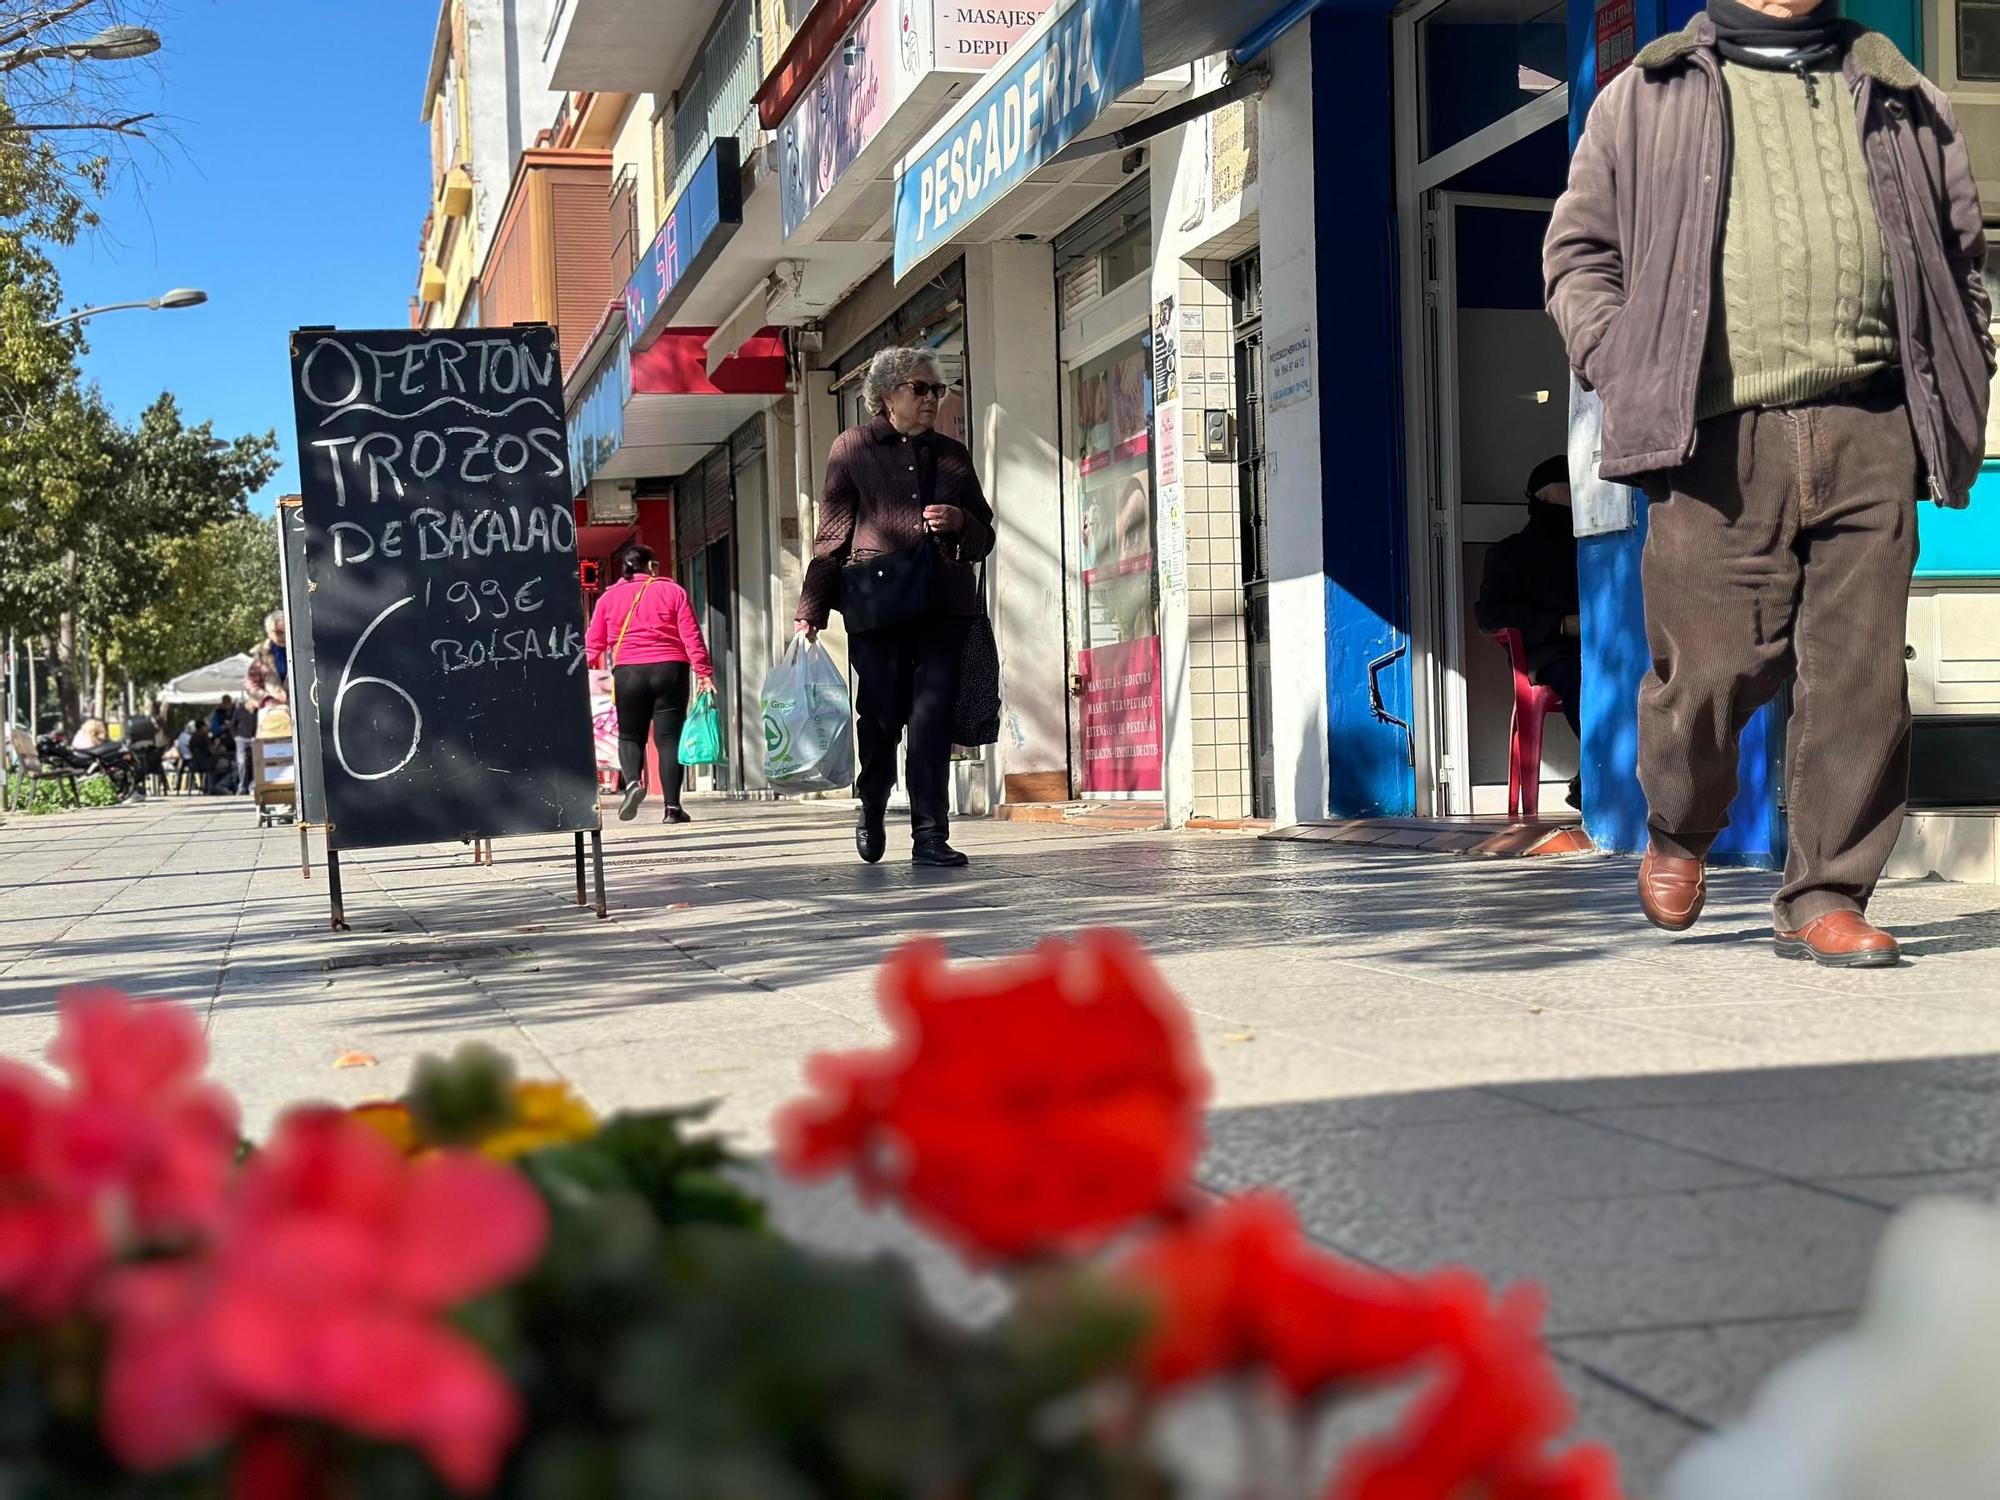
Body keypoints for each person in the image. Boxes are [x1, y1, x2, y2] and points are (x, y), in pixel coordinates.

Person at [1545, 0, 1993, 967]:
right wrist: (1620, 359)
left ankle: (1826, 892)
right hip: (1716, 435)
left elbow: (1960, 260)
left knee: (1862, 678)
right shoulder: (1649, 93)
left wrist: (1967, 364)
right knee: (1710, 669)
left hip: (1871, 423)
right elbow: (1579, 254)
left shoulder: (1905, 95)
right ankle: (1680, 824)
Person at [796, 346, 996, 869]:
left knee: (931, 722)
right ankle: (873, 803)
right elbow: (832, 535)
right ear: (887, 395)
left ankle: (930, 835)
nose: (931, 399)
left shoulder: (952, 455)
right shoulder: (852, 448)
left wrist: (960, 522)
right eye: (920, 388)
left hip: (943, 607)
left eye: (938, 390)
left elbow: (984, 536)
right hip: (877, 608)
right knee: (881, 718)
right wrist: (812, 607)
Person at [1474, 456, 1582, 810]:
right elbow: (1491, 615)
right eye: (1570, 487)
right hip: (1549, 654)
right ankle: (1604, 771)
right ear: (1545, 494)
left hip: (1599, 648)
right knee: (1580, 677)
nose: (1580, 494)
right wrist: (1560, 623)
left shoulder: (1593, 547)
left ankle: (1597, 774)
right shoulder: (1511, 553)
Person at [583, 544, 715, 824]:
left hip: (629, 672)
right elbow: (691, 634)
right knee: (669, 739)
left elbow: (593, 643)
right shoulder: (672, 591)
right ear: (652, 566)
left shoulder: (608, 598)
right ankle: (672, 809)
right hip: (670, 670)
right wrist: (703, 671)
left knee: (630, 736)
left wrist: (574, 673)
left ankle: (632, 782)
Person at [243, 611, 289, 715]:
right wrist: (266, 700)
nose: (283, 636)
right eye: (278, 632)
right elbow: (250, 684)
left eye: (285, 631)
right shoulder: (262, 654)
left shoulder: (303, 650)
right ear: (269, 633)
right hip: (273, 711)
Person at [228, 694, 259, 796]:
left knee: (256, 762)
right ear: (250, 700)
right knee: (242, 763)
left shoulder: (258, 711)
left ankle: (253, 786)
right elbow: (232, 724)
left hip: (254, 739)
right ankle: (242, 786)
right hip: (241, 739)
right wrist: (235, 737)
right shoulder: (239, 710)